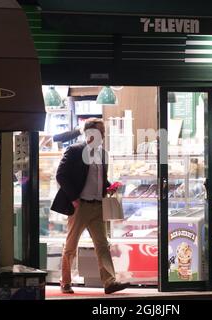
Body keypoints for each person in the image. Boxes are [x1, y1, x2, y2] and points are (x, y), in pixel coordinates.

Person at [51, 118, 130, 294]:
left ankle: (109, 282)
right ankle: (65, 281)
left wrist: (110, 187)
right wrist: (73, 198)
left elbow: (100, 179)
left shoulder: (103, 154)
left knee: (103, 245)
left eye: (103, 131)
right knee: (71, 246)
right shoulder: (75, 150)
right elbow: (61, 175)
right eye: (100, 131)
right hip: (80, 206)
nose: (103, 134)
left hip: (98, 206)